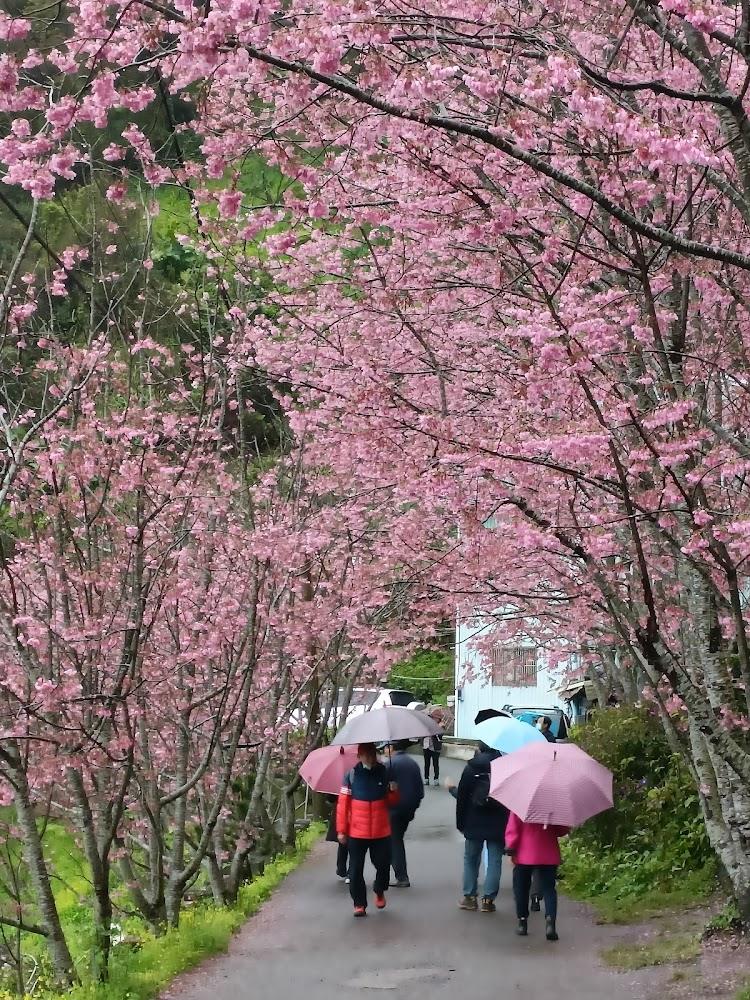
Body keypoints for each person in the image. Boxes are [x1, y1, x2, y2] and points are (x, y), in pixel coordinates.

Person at [336, 742, 399, 917]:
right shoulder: (351, 776)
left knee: (383, 865)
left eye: (372, 753)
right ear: (359, 756)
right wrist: (341, 830)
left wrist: (394, 792)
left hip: (381, 830)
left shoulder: (386, 772)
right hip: (357, 832)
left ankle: (379, 890)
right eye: (365, 754)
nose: (370, 757)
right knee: (355, 869)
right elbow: (342, 805)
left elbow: (392, 802)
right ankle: (359, 903)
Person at [446, 740, 508, 913]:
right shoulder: (505, 768)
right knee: (495, 861)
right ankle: (488, 900)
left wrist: (460, 824)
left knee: (471, 859)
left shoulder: (471, 768)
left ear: (480, 748)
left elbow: (463, 799)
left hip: (473, 821)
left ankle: (470, 897)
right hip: (498, 821)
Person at [505, 812, 569, 941]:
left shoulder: (522, 804)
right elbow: (561, 830)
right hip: (548, 853)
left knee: (521, 888)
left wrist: (511, 846)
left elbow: (513, 828)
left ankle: (522, 922)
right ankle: (550, 922)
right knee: (549, 889)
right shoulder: (553, 806)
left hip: (524, 853)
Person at [386, 740, 424, 887]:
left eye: (386, 748)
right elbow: (420, 790)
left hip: (393, 808)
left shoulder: (390, 764)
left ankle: (402, 876)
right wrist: (415, 805)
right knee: (397, 839)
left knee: (394, 841)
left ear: (391, 748)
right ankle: (400, 873)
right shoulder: (412, 763)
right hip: (409, 809)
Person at [325, 794, 349, 882]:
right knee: (349, 845)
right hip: (348, 812)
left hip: (341, 812)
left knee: (344, 845)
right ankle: (345, 870)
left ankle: (342, 869)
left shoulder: (338, 784)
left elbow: (330, 799)